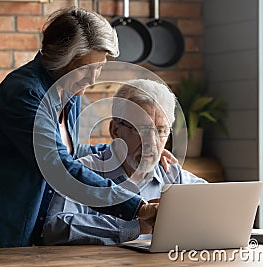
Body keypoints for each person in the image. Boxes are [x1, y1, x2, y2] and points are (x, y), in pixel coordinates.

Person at [0, 7, 176, 249]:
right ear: (61, 59)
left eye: (99, 68)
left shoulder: (69, 92)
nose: (93, 79)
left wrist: (134, 147)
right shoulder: (24, 93)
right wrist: (136, 207)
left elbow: (70, 151)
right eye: (86, 69)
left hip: (30, 233)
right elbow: (58, 165)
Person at [41, 79, 207, 246]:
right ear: (115, 130)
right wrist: (133, 227)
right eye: (141, 129)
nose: (152, 141)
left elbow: (216, 202)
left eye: (161, 131)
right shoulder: (86, 172)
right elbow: (54, 228)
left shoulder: (170, 173)